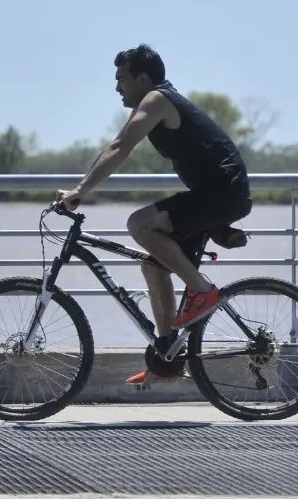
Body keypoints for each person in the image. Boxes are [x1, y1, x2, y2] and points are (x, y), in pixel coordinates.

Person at [57, 44, 251, 385]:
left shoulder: (157, 100)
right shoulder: (157, 100)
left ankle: (201, 290)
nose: (117, 87)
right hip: (213, 195)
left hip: (222, 194)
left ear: (143, 78)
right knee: (154, 266)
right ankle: (168, 357)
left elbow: (119, 148)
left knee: (139, 223)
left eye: (122, 79)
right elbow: (117, 146)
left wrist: (79, 192)